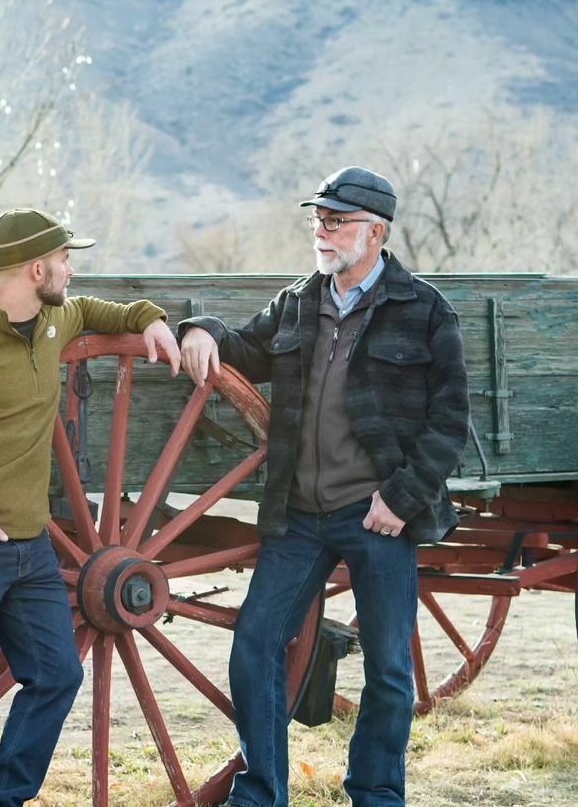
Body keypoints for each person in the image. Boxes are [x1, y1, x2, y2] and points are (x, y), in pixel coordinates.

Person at [179, 166, 469, 806]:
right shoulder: (300, 302)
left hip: (377, 516)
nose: (323, 231)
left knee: (390, 671)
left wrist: (401, 497)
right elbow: (244, 347)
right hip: (301, 517)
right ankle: (260, 794)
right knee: (255, 644)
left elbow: (450, 421)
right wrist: (199, 327)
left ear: (375, 232)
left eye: (336, 222)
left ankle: (376, 793)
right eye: (319, 220)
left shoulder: (423, 311)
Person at [0, 207, 181, 807]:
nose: (72, 270)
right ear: (36, 267)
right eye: (66, 259)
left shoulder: (53, 317)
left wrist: (151, 319)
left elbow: (103, 312)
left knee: (58, 673)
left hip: (31, 549)